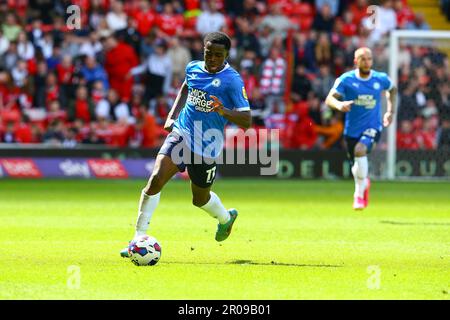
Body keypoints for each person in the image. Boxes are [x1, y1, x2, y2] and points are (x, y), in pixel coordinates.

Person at [120, 32, 251, 257]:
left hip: (207, 146)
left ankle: (226, 218)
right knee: (155, 180)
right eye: (208, 53)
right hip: (183, 134)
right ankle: (137, 238)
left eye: (218, 55)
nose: (212, 59)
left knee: (200, 199)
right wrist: (172, 115)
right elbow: (185, 88)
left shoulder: (233, 81)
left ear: (226, 55)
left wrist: (222, 111)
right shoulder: (193, 68)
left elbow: (246, 121)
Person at [325, 47, 397, 210]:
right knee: (356, 165)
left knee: (360, 150)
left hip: (373, 126)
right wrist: (339, 104)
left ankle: (358, 195)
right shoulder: (346, 79)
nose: (367, 62)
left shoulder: (380, 78)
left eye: (369, 58)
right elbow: (329, 98)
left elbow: (392, 90)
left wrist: (390, 111)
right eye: (363, 59)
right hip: (352, 130)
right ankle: (364, 183)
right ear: (355, 61)